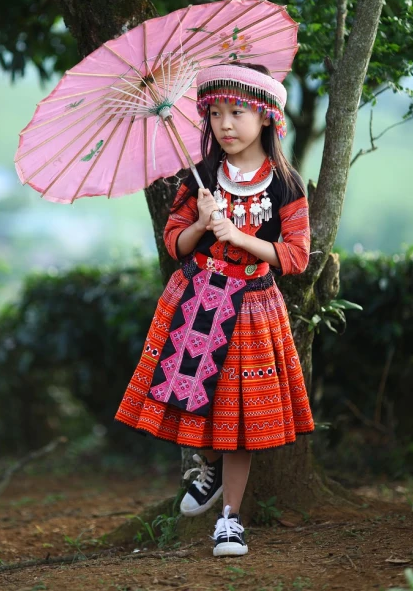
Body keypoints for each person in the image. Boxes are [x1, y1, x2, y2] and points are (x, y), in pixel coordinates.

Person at [115, 61, 314, 557]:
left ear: (267, 116)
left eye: (238, 112)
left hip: (251, 306)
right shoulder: (201, 176)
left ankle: (230, 520)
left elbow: (296, 255)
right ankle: (206, 470)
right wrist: (203, 224)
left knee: (241, 413)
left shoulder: (286, 185)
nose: (226, 124)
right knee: (187, 392)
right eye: (217, 113)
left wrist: (241, 236)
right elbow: (176, 244)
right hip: (197, 301)